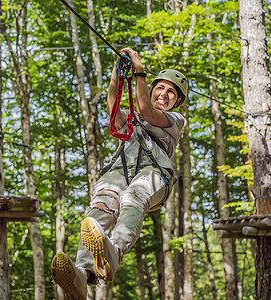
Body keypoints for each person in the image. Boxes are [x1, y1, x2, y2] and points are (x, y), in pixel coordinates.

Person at [51, 47, 187, 299]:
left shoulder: (175, 120)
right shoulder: (133, 119)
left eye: (171, 92)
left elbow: (146, 110)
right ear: (153, 89)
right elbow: (113, 105)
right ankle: (82, 274)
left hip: (154, 173)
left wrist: (139, 70)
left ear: (177, 101)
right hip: (120, 170)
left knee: (133, 197)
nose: (164, 95)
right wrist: (117, 70)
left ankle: (113, 251)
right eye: (161, 88)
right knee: (100, 208)